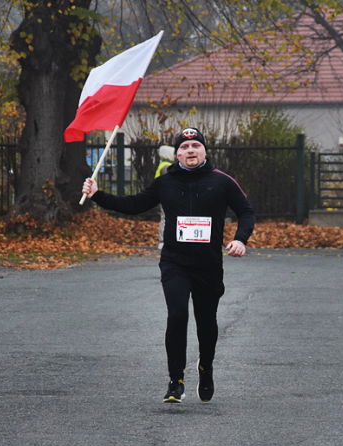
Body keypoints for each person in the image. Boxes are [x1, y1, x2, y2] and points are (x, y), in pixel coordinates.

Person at [82, 128, 255, 403]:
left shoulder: (222, 181)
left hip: (208, 265)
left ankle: (205, 368)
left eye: (195, 145)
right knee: (177, 314)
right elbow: (134, 203)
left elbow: (246, 211)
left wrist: (241, 239)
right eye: (184, 147)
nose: (190, 150)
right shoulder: (166, 182)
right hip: (175, 262)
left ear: (205, 151)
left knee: (206, 324)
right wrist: (98, 195)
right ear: (177, 154)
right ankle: (175, 381)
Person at [154, 145, 175, 250]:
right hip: (167, 196)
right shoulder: (166, 167)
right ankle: (163, 240)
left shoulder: (162, 165)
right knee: (166, 217)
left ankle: (164, 240)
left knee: (165, 217)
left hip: (163, 194)